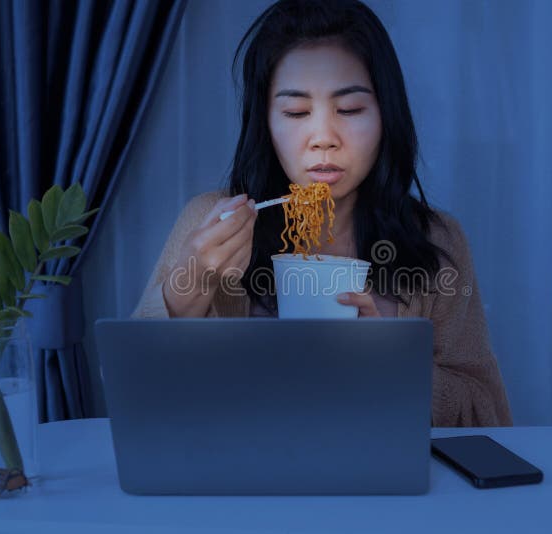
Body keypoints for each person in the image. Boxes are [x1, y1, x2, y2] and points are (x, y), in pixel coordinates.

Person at [133, 0, 512, 427]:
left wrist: (394, 364)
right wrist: (189, 289)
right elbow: (132, 389)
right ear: (266, 123)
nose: (323, 139)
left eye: (349, 110)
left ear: (386, 115)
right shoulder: (210, 221)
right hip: (243, 478)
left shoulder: (437, 240)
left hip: (384, 484)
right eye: (296, 113)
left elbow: (487, 415)